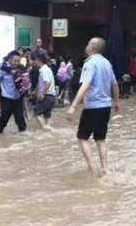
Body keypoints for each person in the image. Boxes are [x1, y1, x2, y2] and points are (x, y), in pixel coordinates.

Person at [66, 37, 120, 174]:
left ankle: (91, 167)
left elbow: (85, 85)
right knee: (100, 139)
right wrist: (117, 102)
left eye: (88, 43)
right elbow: (115, 84)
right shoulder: (107, 63)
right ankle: (104, 167)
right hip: (106, 107)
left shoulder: (90, 63)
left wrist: (73, 106)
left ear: (91, 47)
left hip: (93, 107)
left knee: (82, 138)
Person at [0, 51, 27, 134]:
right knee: (3, 121)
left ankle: (24, 141)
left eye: (18, 61)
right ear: (10, 60)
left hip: (17, 99)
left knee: (21, 122)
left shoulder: (20, 68)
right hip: (6, 99)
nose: (17, 63)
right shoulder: (3, 69)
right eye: (15, 61)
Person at [33, 54, 56, 130]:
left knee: (36, 113)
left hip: (46, 96)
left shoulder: (44, 70)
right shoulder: (47, 69)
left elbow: (48, 82)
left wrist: (42, 94)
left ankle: (44, 128)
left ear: (39, 61)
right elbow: (41, 83)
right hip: (52, 97)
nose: (34, 62)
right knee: (47, 115)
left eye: (35, 60)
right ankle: (49, 129)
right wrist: (35, 91)